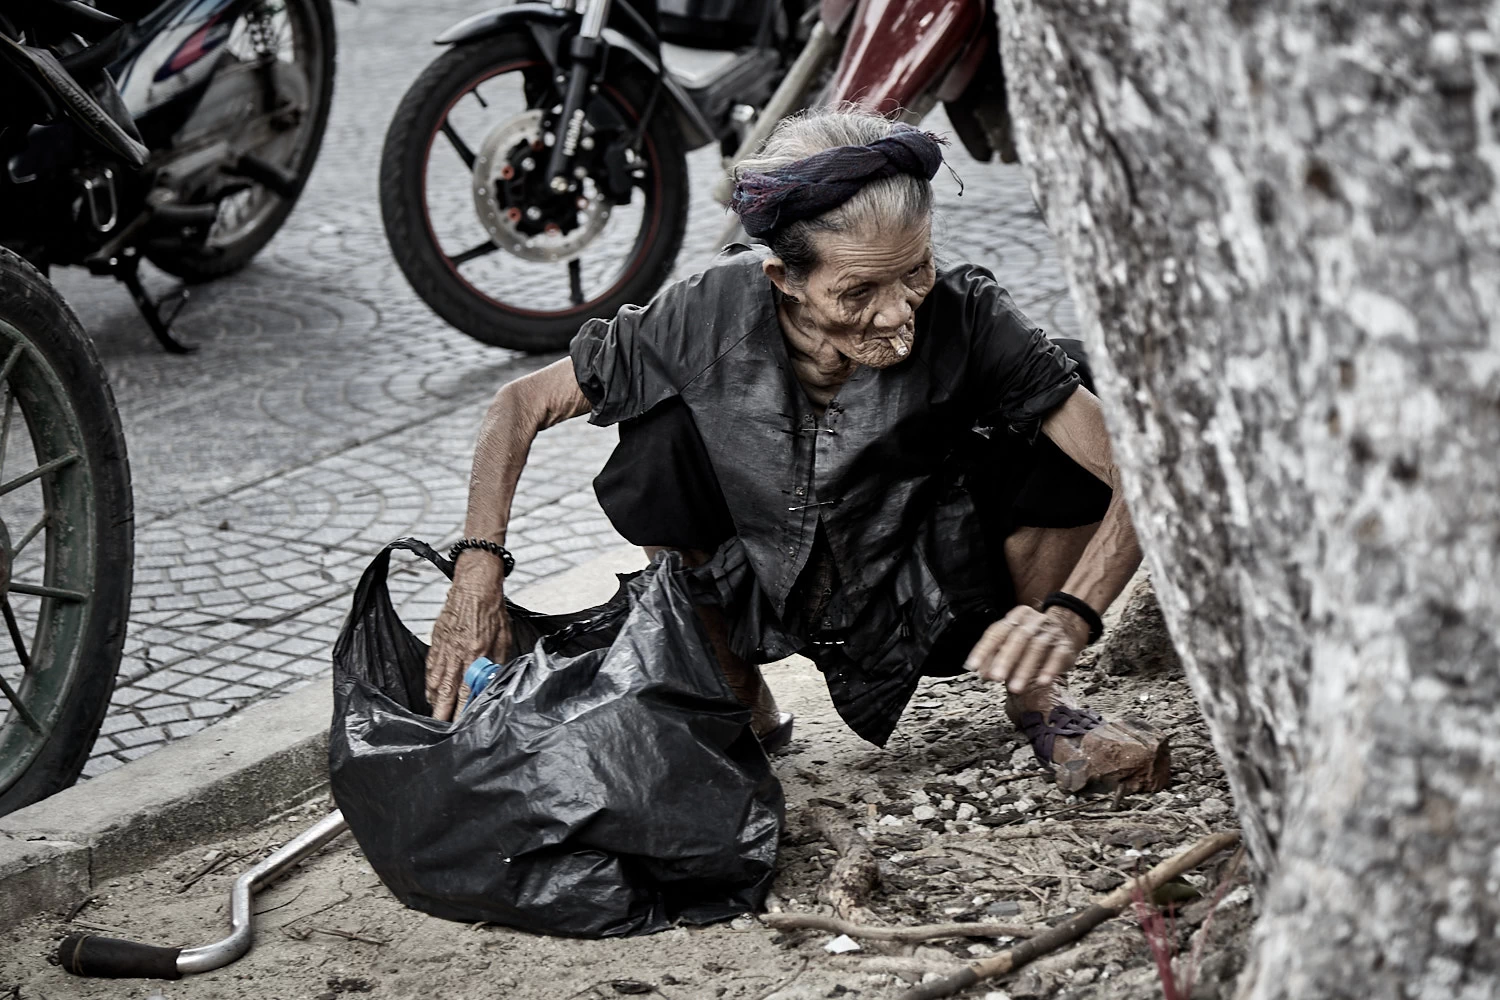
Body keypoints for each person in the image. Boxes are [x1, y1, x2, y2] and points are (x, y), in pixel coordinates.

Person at [425, 109, 1169, 792]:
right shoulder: (703, 314)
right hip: (767, 581)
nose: (897, 313)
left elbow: (1141, 471)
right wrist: (477, 566)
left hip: (924, 591)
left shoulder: (969, 316)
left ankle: (1036, 699)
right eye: (858, 291)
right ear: (784, 279)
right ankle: (734, 694)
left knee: (1076, 397)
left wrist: (1071, 617)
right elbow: (518, 403)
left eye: (915, 271)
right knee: (654, 446)